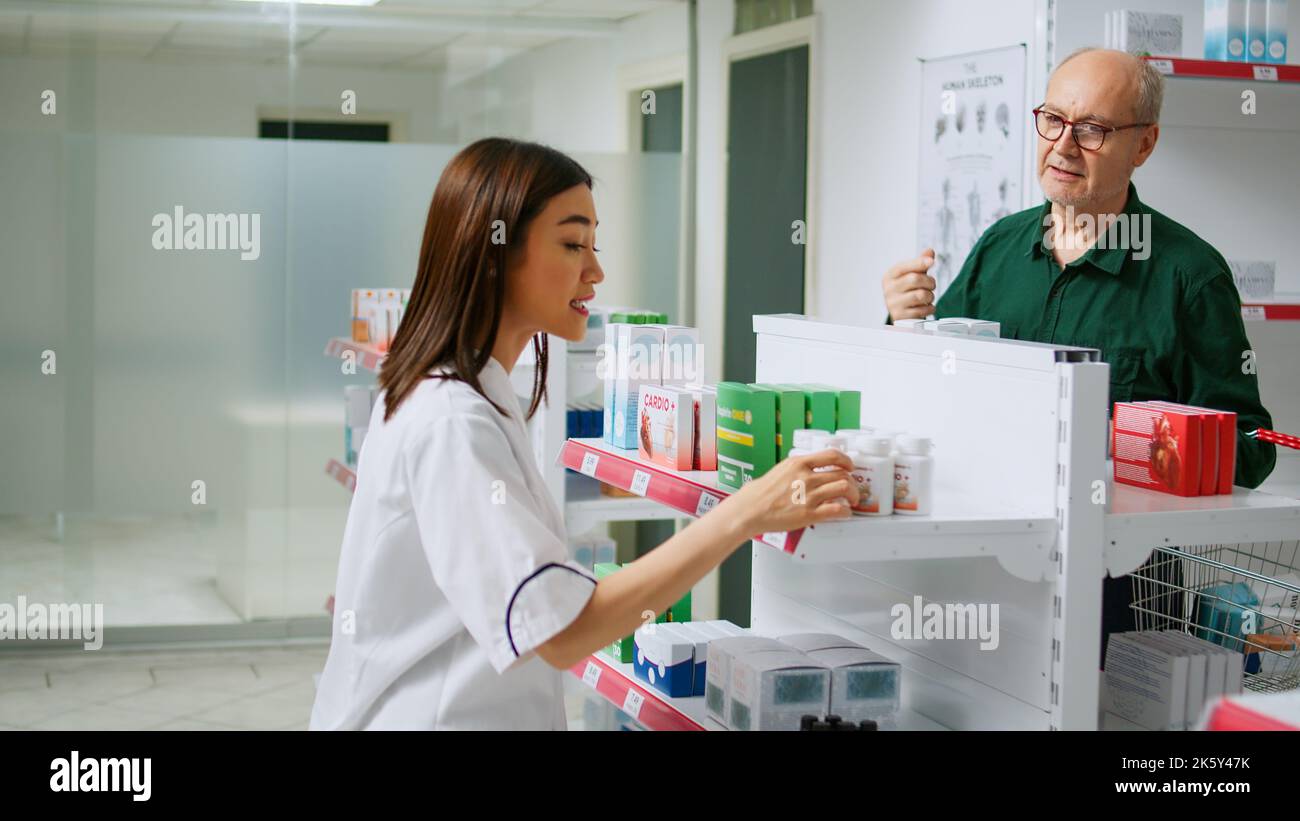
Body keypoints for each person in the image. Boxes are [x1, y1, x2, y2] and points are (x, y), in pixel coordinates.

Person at [310, 138, 858, 730]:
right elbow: (567, 633)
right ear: (492, 252)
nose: (595, 271)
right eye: (573, 244)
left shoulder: (478, 396)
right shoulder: (451, 420)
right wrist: (743, 514)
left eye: (594, 245)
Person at [880, 47, 1276, 661]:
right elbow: (931, 388)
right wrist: (904, 323)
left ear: (1142, 145)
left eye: (1092, 129)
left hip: (1118, 592)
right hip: (984, 568)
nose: (1063, 145)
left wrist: (1145, 448)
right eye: (1053, 120)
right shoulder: (999, 250)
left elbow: (1251, 448)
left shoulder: (1189, 277)